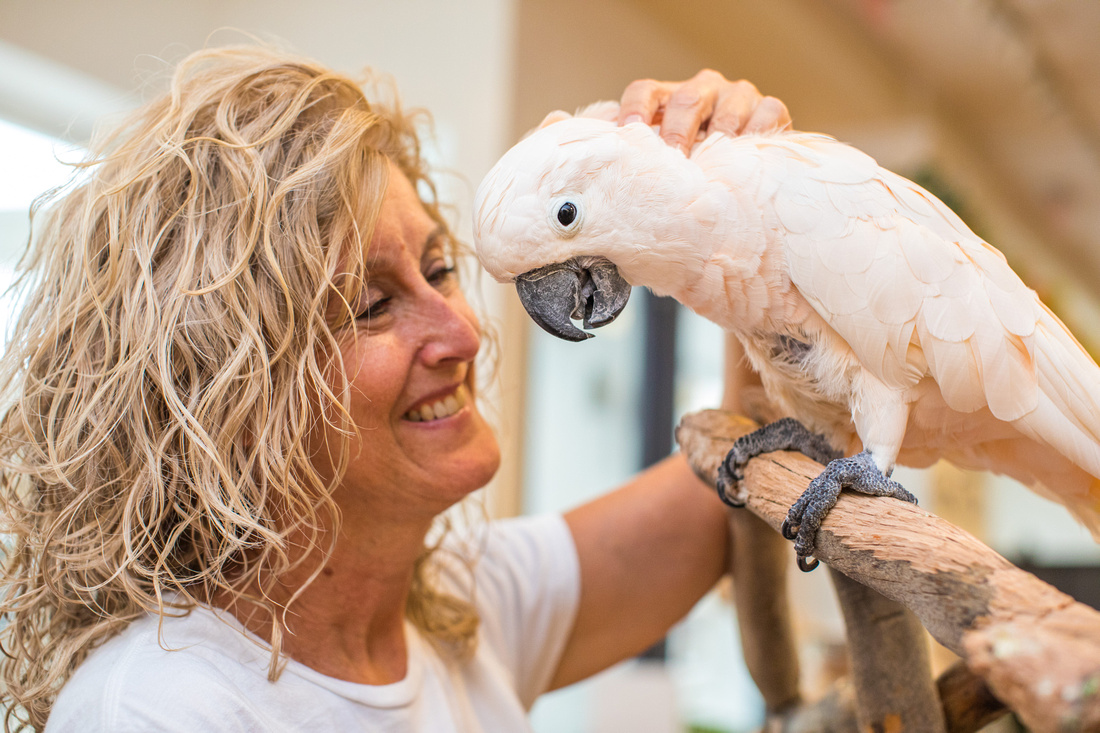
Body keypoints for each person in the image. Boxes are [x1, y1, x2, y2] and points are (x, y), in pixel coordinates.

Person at [0, 45, 791, 732]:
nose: (465, 335)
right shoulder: (158, 710)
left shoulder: (453, 611)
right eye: (372, 305)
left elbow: (754, 480)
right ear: (224, 396)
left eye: (440, 268)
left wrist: (748, 221)